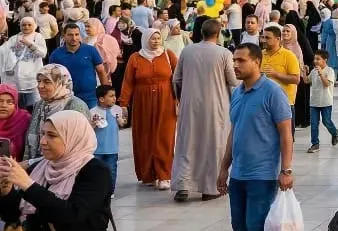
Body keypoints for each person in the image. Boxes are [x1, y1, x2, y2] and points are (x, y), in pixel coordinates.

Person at [216, 43, 312, 231]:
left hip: (263, 174)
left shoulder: (273, 93)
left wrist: (287, 170)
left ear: (256, 62)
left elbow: (285, 135)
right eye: (234, 60)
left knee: (256, 225)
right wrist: (224, 167)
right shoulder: (237, 92)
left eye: (241, 61)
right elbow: (234, 132)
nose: (236, 65)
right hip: (239, 175)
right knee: (240, 230)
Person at [171, 18, 237, 202]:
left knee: (187, 144)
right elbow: (233, 80)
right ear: (218, 33)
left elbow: (176, 79)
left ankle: (183, 186)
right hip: (216, 106)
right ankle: (210, 188)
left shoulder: (187, 51)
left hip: (190, 105)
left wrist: (183, 98)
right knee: (214, 145)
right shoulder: (224, 53)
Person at [118, 28, 178, 190]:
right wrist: (123, 103)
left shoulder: (168, 55)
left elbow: (179, 77)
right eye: (152, 38)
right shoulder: (135, 58)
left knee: (164, 137)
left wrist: (181, 99)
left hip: (165, 101)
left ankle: (164, 174)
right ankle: (148, 174)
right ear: (145, 40)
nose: (156, 41)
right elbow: (128, 81)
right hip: (142, 102)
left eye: (158, 38)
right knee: (144, 137)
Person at [26, 65, 88, 160]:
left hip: (65, 167)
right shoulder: (40, 104)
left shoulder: (75, 106)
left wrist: (31, 163)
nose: (40, 86)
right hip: (37, 165)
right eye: (39, 81)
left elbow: (75, 147)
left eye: (47, 81)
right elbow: (30, 140)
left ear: (61, 83)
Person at [48, 22, 109, 107]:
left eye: (77, 34)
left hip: (90, 98)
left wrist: (106, 93)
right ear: (64, 36)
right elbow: (51, 77)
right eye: (70, 35)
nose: (74, 38)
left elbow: (101, 71)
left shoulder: (90, 50)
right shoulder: (56, 54)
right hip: (66, 98)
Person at [2, 17, 46, 110]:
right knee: (17, 107)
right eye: (24, 25)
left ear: (34, 25)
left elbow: (43, 53)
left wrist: (30, 45)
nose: (26, 27)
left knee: (34, 107)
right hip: (15, 80)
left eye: (29, 25)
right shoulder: (15, 38)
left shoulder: (38, 37)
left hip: (32, 79)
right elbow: (2, 51)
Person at [89, 85, 124, 188]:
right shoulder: (93, 112)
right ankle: (97, 189)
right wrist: (93, 124)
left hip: (112, 148)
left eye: (115, 95)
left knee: (111, 170)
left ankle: (110, 190)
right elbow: (89, 128)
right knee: (96, 171)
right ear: (101, 99)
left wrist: (122, 121)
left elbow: (122, 123)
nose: (114, 98)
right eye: (111, 96)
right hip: (97, 149)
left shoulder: (117, 110)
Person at [306, 51, 338, 152]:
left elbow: (326, 84)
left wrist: (321, 74)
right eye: (315, 59)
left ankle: (334, 132)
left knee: (326, 121)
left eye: (318, 59)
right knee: (314, 124)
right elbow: (307, 81)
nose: (315, 61)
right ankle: (315, 143)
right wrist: (304, 72)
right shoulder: (313, 71)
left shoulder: (329, 71)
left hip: (326, 102)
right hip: (314, 102)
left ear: (325, 60)